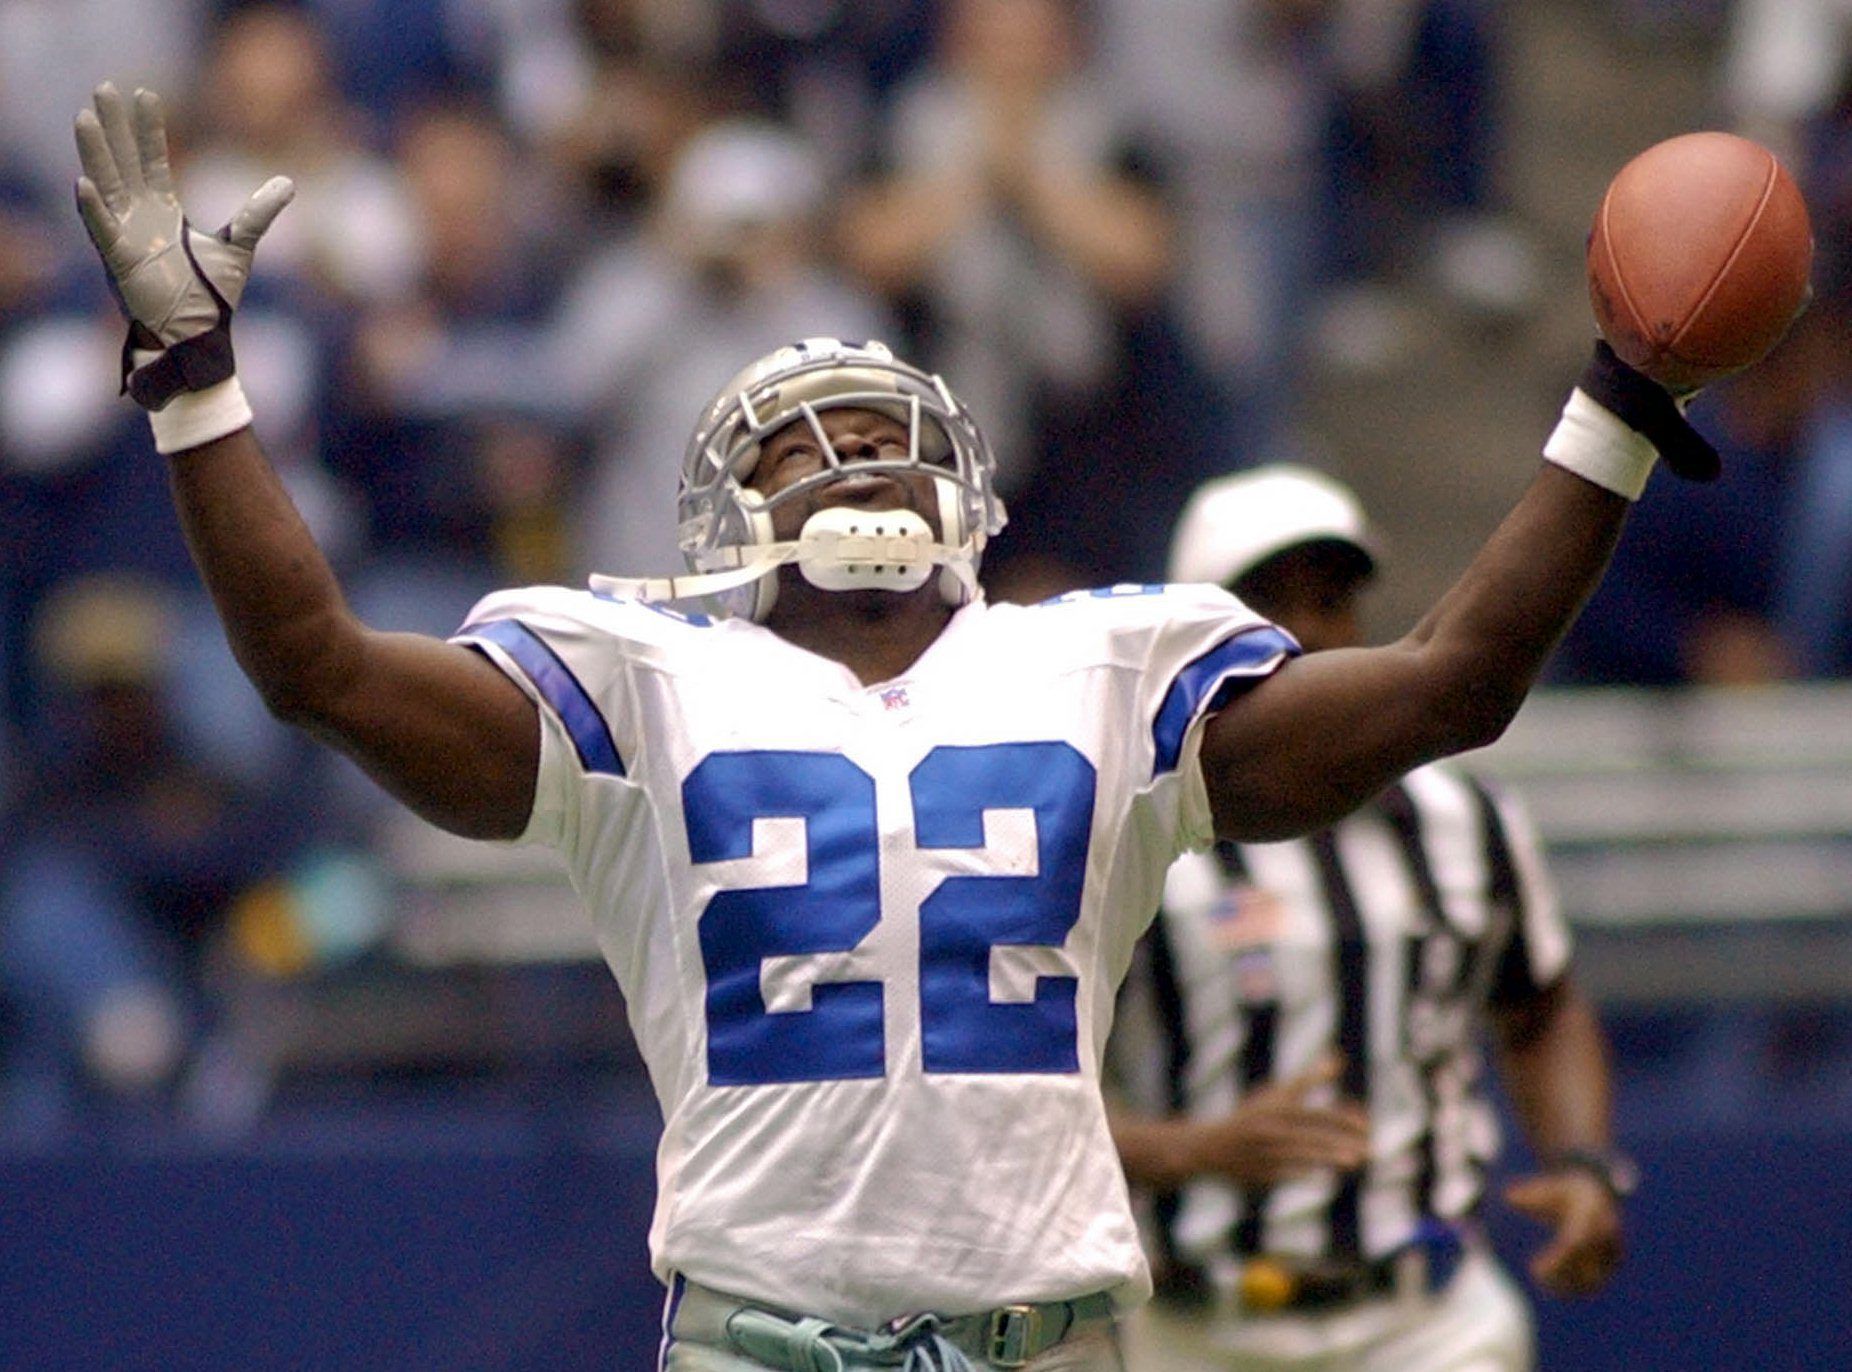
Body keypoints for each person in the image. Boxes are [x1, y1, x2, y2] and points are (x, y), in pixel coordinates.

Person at [71, 80, 1737, 1370]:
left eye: (882, 430)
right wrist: (196, 383)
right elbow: (317, 668)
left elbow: (1454, 680)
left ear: (963, 485)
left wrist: (1618, 401)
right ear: (729, 514)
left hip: (1049, 1336)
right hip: (761, 1338)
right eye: (802, 444)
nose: (854, 454)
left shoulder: (1107, 665)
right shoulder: (637, 676)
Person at [1108, 466, 1629, 1372]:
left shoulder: (1465, 820)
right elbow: (1028, 1086)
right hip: (1197, 1329)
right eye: (1263, 604)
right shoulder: (1127, 834)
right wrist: (1189, 1151)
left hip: (1431, 1324)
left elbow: (1540, 1005)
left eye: (1331, 599)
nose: (1307, 632)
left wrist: (1582, 1163)